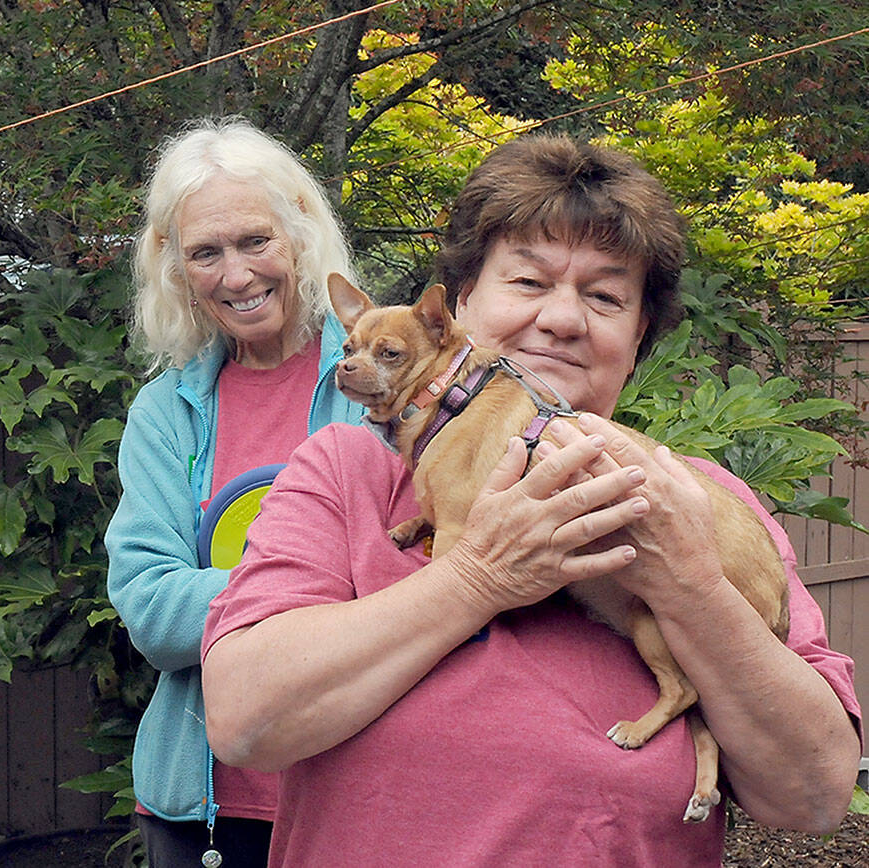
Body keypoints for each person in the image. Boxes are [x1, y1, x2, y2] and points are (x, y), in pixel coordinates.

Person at [201, 134, 862, 866]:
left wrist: (691, 585)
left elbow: (814, 795)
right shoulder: (348, 471)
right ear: (456, 311)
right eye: (527, 282)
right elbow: (244, 721)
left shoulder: (694, 496)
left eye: (606, 296)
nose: (563, 319)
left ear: (637, 334)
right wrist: (480, 576)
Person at [104, 117, 364, 866]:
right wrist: (330, 589)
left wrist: (229, 600)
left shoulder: (382, 377)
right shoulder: (164, 412)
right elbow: (153, 613)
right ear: (177, 270)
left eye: (255, 242)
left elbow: (421, 569)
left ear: (301, 235)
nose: (237, 275)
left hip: (362, 792)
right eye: (206, 253)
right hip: (204, 815)